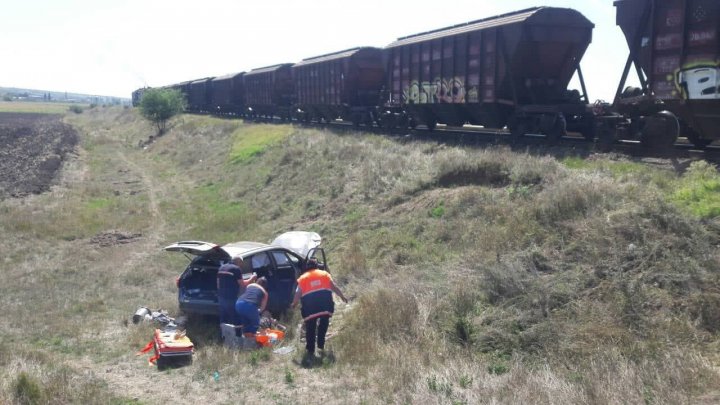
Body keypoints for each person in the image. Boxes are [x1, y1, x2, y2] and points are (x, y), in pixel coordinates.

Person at [292, 259, 348, 359]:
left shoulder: (302, 278)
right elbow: (334, 287)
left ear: (307, 267)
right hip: (325, 306)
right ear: (317, 266)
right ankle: (321, 344)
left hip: (310, 309)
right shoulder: (324, 274)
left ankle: (310, 350)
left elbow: (298, 293)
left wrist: (294, 304)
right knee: (324, 323)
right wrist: (342, 296)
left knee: (311, 327)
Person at [217, 256, 256, 336]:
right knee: (236, 317)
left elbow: (218, 284)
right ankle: (238, 336)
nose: (241, 266)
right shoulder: (236, 269)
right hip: (231, 297)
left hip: (221, 297)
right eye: (241, 264)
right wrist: (252, 278)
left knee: (223, 317)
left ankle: (222, 336)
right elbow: (242, 284)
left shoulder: (221, 268)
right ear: (238, 262)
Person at [235, 277, 269, 349]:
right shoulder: (265, 293)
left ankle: (243, 341)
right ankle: (250, 344)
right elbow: (262, 307)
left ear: (257, 281)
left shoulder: (250, 285)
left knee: (246, 323)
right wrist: (257, 312)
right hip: (250, 305)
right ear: (265, 286)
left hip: (238, 303)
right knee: (255, 323)